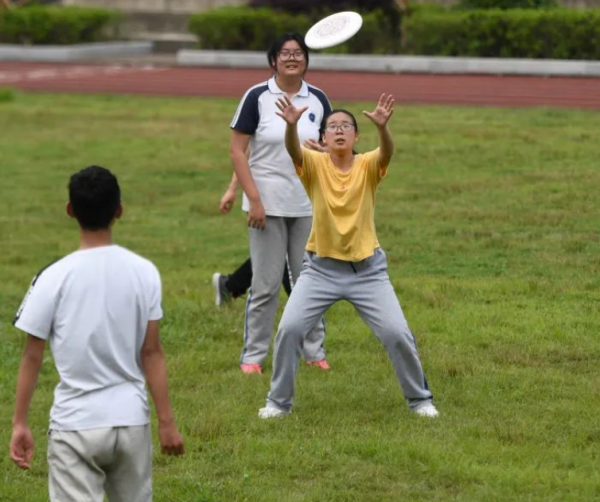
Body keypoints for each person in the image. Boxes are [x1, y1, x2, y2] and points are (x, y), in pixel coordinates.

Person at [258, 94, 439, 419]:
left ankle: (420, 401)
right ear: (324, 138)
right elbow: (293, 150)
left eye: (346, 126)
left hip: (368, 271)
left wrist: (383, 128)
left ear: (356, 136)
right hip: (319, 271)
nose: (339, 130)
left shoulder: (368, 165)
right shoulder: (313, 165)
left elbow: (387, 152)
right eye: (332, 127)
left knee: (397, 334)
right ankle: (277, 403)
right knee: (289, 330)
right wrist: (291, 126)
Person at [10, 166, 184, 501]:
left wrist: (20, 423)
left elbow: (32, 355)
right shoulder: (144, 272)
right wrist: (166, 422)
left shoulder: (52, 277)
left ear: (69, 210)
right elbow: (152, 353)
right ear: (119, 210)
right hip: (131, 422)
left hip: (74, 425)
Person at [230, 32, 332, 374]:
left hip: (307, 205)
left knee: (310, 282)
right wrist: (253, 199)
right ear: (273, 60)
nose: (292, 58)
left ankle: (314, 351)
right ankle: (253, 357)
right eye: (285, 53)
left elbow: (332, 147)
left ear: (306, 60)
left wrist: (326, 152)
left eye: (299, 53)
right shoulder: (256, 96)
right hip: (266, 207)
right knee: (266, 285)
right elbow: (237, 150)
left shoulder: (317, 99)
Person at [212, 172, 291, 307]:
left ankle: (230, 286)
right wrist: (232, 188)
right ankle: (300, 306)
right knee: (282, 252)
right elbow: (243, 153)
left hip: (297, 193)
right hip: (272, 195)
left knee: (277, 251)